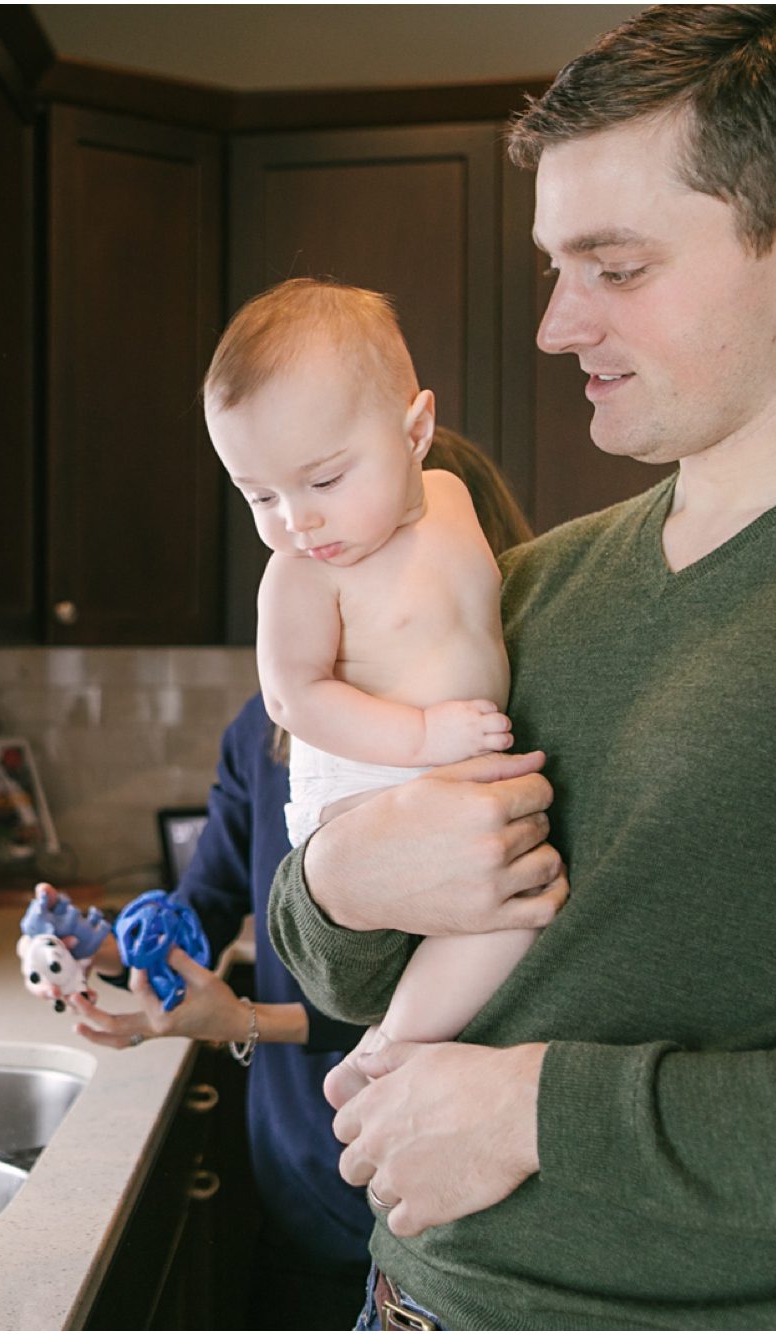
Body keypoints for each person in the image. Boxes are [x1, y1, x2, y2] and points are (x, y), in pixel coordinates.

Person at [264, 7, 776, 1329]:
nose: (554, 324)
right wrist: (338, 877)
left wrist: (543, 1110)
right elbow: (340, 963)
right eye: (556, 266)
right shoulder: (532, 576)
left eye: (616, 266)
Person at [67, 429, 534, 1328]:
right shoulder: (267, 729)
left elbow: (454, 970)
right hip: (297, 1173)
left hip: (444, 1176)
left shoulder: (497, 727)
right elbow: (201, 907)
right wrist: (111, 942)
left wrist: (242, 1020)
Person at [203, 278, 537, 1096]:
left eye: (321, 481)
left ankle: (394, 1048)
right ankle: (389, 1049)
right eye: (260, 496)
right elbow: (294, 700)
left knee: (521, 909)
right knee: (506, 915)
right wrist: (422, 740)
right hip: (367, 778)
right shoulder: (300, 576)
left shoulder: (454, 499)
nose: (295, 521)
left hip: (451, 762)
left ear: (416, 429)